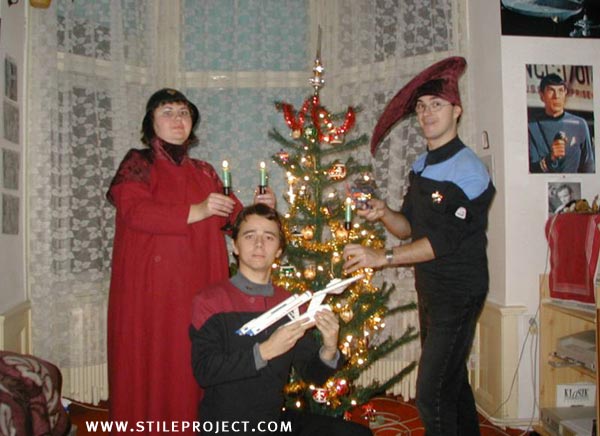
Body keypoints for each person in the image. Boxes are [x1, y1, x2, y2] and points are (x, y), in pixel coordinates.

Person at [106, 88, 275, 431]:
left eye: (183, 113)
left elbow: (236, 222)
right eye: (167, 112)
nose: (177, 119)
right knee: (153, 362)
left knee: (193, 362)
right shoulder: (138, 162)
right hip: (151, 294)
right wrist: (198, 210)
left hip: (201, 288)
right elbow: (135, 211)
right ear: (151, 123)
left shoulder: (205, 171)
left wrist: (262, 209)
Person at [343, 57, 495, 436]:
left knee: (430, 394)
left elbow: (442, 242)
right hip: (431, 289)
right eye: (422, 106)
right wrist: (383, 213)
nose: (427, 113)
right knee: (450, 380)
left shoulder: (470, 170)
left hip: (459, 292)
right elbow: (409, 226)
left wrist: (382, 258)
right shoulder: (422, 165)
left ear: (456, 111)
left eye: (437, 105)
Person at [189, 204, 372, 436]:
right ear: (235, 245)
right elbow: (205, 371)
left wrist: (329, 348)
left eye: (269, 237)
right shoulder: (210, 301)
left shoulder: (290, 304)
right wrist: (264, 351)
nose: (259, 244)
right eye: (249, 236)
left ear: (278, 250)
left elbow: (312, 374)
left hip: (273, 421)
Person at [528, 73, 595, 173]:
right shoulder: (532, 126)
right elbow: (531, 169)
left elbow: (589, 165)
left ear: (565, 93)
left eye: (560, 90)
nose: (556, 96)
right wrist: (550, 158)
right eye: (551, 90)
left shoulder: (579, 124)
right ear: (542, 95)